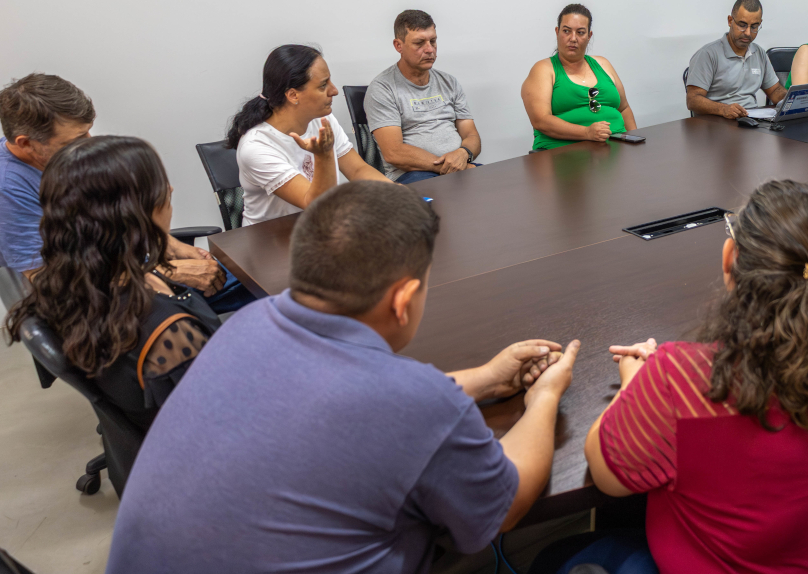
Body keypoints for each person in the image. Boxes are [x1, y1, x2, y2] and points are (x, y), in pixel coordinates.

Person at [107, 181, 581, 573]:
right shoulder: (412, 401)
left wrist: (481, 379)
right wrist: (543, 398)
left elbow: (341, 409)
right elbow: (506, 504)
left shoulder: (245, 326)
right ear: (403, 299)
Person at [533, 180, 808, 574]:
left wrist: (634, 382)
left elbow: (607, 476)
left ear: (731, 256)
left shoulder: (680, 379)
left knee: (553, 560)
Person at [0, 74, 253, 312]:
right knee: (261, 282)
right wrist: (168, 273)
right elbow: (47, 281)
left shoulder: (49, 157)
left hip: (118, 264)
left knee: (247, 270)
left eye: (87, 132)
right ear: (25, 142)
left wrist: (168, 244)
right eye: (76, 139)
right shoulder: (2, 191)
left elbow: (104, 219)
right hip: (97, 298)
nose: (88, 144)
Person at [6, 136, 221, 431]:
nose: (169, 189)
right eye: (159, 184)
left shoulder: (77, 279)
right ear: (132, 212)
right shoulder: (169, 335)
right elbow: (218, 427)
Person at [228, 44, 390, 225]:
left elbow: (358, 170)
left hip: (316, 230)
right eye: (323, 85)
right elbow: (317, 204)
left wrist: (396, 194)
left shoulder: (322, 119)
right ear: (293, 95)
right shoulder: (256, 147)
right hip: (270, 243)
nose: (334, 90)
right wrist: (324, 154)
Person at [366, 10, 482, 184]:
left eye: (433, 41)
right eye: (419, 43)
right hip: (413, 175)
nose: (429, 50)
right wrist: (450, 167)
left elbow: (472, 136)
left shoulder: (449, 82)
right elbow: (394, 152)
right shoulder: (382, 88)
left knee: (503, 190)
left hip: (459, 168)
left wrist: (464, 153)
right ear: (398, 45)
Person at [522, 4, 637, 150]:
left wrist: (634, 140)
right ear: (557, 32)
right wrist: (587, 132)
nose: (573, 38)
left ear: (589, 36)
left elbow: (624, 108)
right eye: (566, 31)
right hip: (563, 153)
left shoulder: (603, 64)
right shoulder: (544, 69)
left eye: (581, 32)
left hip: (615, 149)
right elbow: (540, 121)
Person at [685, 0, 787, 119]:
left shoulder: (759, 53)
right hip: (716, 123)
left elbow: (775, 91)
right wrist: (723, 109)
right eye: (742, 25)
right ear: (730, 21)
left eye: (754, 26)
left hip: (752, 122)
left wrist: (791, 99)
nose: (748, 33)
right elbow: (693, 100)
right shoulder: (708, 54)